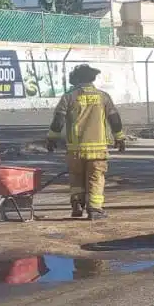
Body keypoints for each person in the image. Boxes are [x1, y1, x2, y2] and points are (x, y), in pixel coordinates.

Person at [46, 64, 127, 220]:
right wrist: (120, 137)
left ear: (77, 79)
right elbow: (114, 118)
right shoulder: (103, 96)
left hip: (75, 149)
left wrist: (52, 138)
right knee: (95, 178)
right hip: (98, 150)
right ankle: (95, 209)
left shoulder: (69, 96)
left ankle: (77, 202)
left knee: (76, 176)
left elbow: (58, 120)